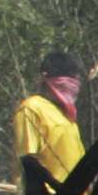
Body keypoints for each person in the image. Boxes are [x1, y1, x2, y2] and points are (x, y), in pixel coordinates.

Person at [14, 51, 85, 187]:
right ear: (45, 78)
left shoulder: (67, 116)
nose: (72, 85)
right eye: (68, 78)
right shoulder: (32, 108)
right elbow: (28, 163)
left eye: (75, 79)